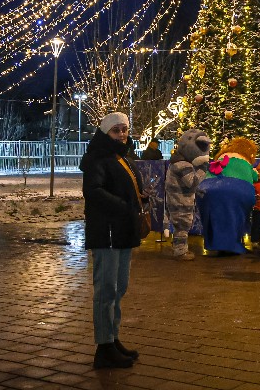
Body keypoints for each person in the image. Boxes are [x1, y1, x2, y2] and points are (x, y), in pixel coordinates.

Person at [80, 112, 144, 369]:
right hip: (106, 231)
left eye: (125, 130)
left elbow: (125, 189)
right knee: (106, 290)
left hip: (122, 231)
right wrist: (124, 205)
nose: (122, 135)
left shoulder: (121, 157)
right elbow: (93, 191)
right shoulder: (97, 158)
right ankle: (103, 347)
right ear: (105, 133)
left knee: (118, 289)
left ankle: (113, 338)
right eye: (116, 130)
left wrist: (140, 197)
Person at [196, 136, 258, 255]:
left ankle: (216, 244)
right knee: (235, 217)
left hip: (208, 188)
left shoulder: (221, 157)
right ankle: (232, 246)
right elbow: (255, 177)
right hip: (237, 188)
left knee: (214, 218)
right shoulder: (244, 160)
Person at [164, 128, 210, 261]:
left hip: (177, 199)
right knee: (183, 225)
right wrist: (203, 168)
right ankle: (180, 251)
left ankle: (178, 247)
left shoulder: (177, 163)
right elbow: (192, 182)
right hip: (181, 201)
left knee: (181, 225)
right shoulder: (183, 165)